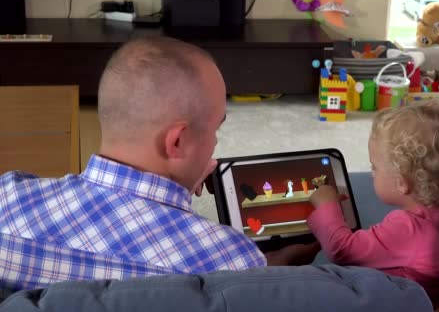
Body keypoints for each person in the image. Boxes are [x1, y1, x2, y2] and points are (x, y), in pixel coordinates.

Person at [0, 36, 317, 293]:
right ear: (177, 141)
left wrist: (175, 191)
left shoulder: (9, 196)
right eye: (215, 128)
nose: (215, 143)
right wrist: (268, 269)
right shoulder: (230, 259)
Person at [307, 103, 439, 307]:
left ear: (401, 183)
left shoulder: (406, 227)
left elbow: (341, 250)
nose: (372, 173)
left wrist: (327, 205)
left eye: (374, 167)